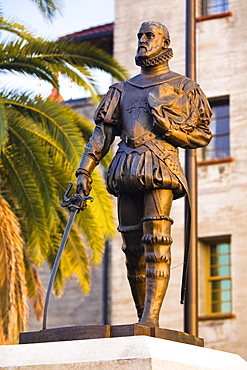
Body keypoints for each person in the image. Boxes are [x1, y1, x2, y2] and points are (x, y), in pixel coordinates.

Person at [76, 21, 212, 327]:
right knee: (132, 248)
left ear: (165, 44)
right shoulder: (120, 90)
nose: (142, 41)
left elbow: (202, 135)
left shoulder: (183, 87)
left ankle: (152, 317)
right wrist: (84, 170)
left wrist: (169, 128)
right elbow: (101, 136)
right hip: (125, 168)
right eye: (140, 36)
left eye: (149, 36)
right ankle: (142, 316)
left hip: (160, 167)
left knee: (157, 241)